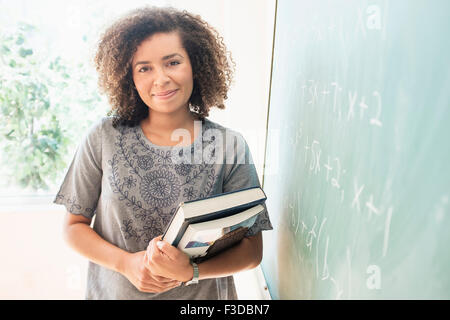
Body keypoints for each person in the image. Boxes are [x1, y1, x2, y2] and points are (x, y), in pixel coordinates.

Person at [53, 6, 272, 300]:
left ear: (196, 64)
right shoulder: (103, 137)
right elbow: (73, 227)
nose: (161, 79)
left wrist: (191, 272)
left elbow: (251, 251)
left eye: (172, 62)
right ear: (128, 76)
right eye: (145, 68)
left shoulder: (229, 146)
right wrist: (127, 263)